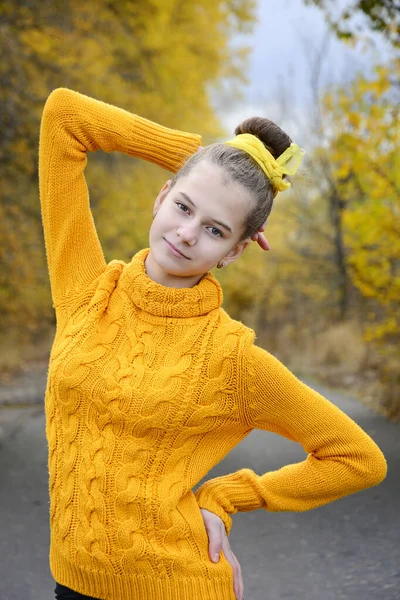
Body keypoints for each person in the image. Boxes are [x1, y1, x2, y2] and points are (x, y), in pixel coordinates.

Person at [38, 88, 386, 600]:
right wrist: (198, 158)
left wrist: (229, 496)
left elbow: (357, 457)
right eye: (182, 205)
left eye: (215, 229)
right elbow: (65, 118)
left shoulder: (232, 358)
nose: (185, 233)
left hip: (175, 585)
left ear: (235, 250)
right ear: (162, 195)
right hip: (70, 582)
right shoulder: (87, 289)